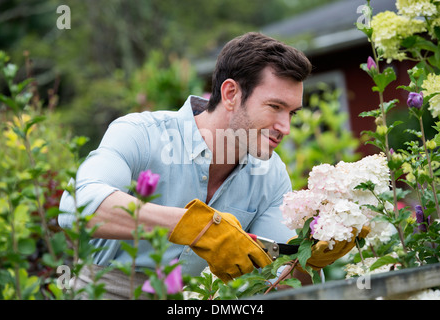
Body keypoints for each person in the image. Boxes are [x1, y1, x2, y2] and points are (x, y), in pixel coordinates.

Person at [59, 32, 313, 299]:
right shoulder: (140, 133)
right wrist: (195, 226)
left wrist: (313, 253)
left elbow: (279, 276)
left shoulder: (271, 174)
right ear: (230, 94)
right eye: (274, 107)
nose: (286, 127)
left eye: (292, 113)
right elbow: (75, 206)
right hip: (108, 290)